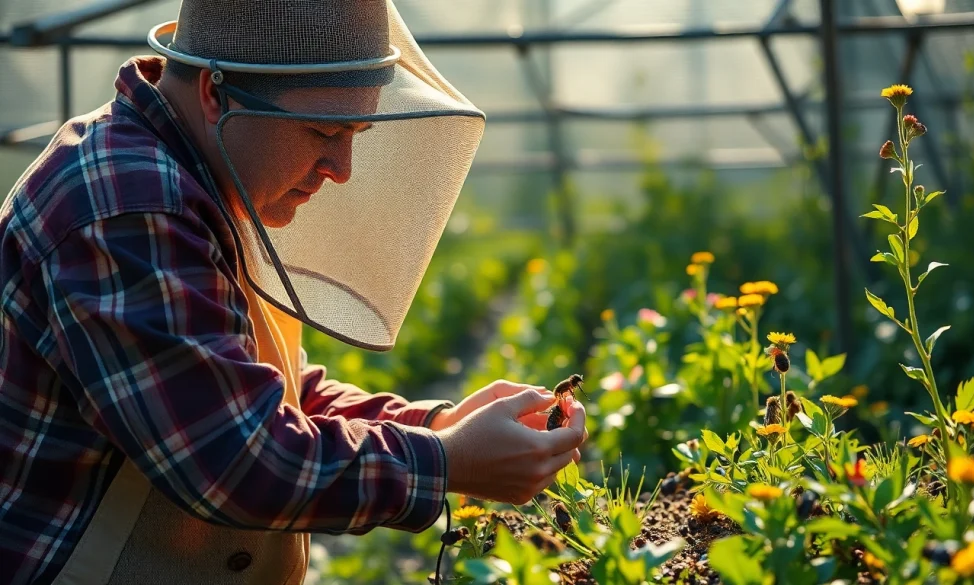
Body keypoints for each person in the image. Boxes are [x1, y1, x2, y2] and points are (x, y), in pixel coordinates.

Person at [0, 1, 587, 583]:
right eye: (323, 131)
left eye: (355, 132)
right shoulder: (126, 206)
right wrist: (446, 460)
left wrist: (437, 426)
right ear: (214, 92)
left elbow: (268, 393)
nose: (342, 167)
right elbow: (233, 458)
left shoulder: (204, 175)